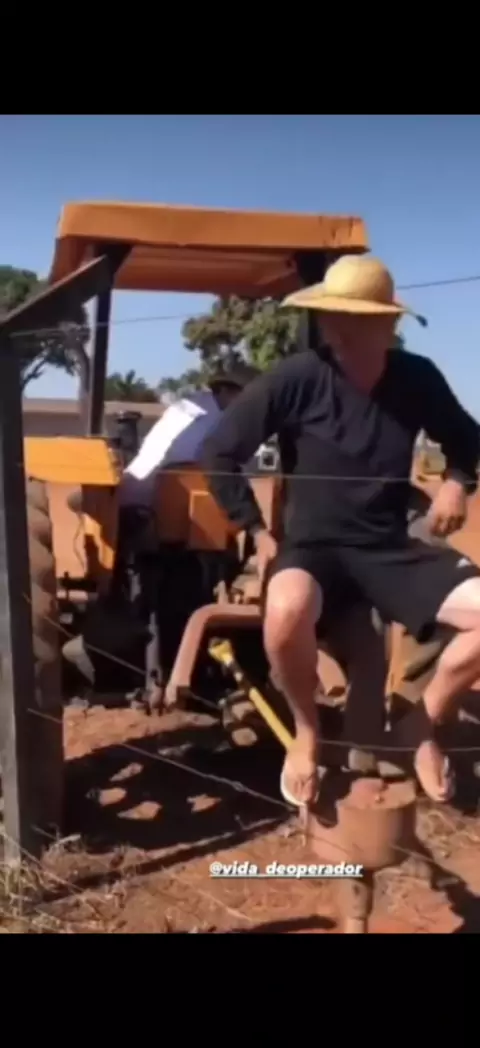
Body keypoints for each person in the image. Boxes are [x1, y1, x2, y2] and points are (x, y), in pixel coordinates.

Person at [202, 254, 480, 807]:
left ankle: (422, 723)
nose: (337, 326)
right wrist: (257, 530)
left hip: (387, 548)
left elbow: (468, 440)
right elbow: (219, 452)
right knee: (285, 611)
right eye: (332, 314)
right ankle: (307, 733)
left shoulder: (416, 378)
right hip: (313, 549)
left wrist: (456, 482)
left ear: (387, 324)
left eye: (353, 316)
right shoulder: (297, 377)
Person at [118, 366, 259, 508]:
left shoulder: (199, 406)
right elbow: (178, 464)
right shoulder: (198, 415)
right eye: (244, 396)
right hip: (146, 500)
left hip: (146, 494)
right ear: (224, 390)